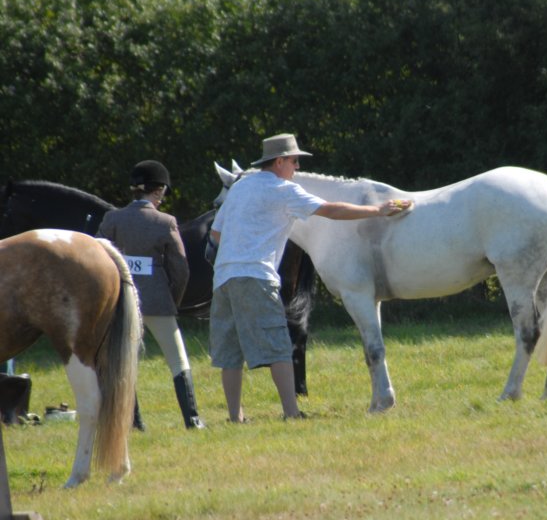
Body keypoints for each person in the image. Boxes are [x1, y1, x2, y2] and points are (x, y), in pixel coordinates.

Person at [209, 133, 411, 422]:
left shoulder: (240, 187)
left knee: (230, 352)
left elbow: (216, 234)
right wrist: (378, 210)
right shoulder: (283, 190)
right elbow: (330, 210)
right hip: (256, 274)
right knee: (279, 346)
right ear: (279, 162)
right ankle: (291, 413)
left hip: (224, 277)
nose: (297, 169)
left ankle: (235, 417)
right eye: (294, 161)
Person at [97, 160, 205, 430]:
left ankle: (133, 422)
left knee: (124, 362)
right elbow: (180, 268)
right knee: (177, 359)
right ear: (157, 191)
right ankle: (192, 419)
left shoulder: (112, 219)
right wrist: (173, 301)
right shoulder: (165, 222)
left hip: (121, 301)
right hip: (158, 301)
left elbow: (97, 256)